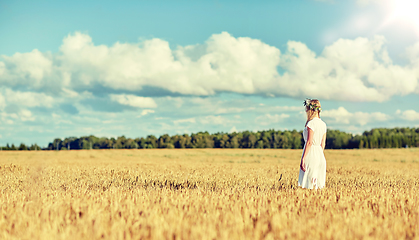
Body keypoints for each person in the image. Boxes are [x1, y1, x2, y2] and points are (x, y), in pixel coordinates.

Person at [298, 99, 327, 189]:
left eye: (307, 109)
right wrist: (319, 155)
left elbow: (309, 142)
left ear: (311, 110)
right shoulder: (323, 124)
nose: (306, 111)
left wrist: (303, 158)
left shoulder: (311, 124)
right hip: (320, 155)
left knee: (309, 184)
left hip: (311, 154)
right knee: (317, 184)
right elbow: (323, 143)